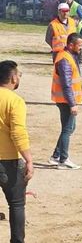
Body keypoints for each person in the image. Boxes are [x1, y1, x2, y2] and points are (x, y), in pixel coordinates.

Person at [0, 60, 34, 243]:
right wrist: (28, 159)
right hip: (7, 161)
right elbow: (18, 132)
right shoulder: (15, 101)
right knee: (16, 204)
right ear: (13, 78)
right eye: (19, 75)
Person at [49, 33, 82, 170]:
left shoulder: (69, 55)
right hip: (65, 101)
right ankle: (63, 160)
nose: (81, 48)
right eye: (79, 45)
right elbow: (66, 85)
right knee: (67, 129)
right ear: (71, 45)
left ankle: (56, 156)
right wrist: (72, 104)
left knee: (69, 128)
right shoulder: (64, 60)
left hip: (65, 99)